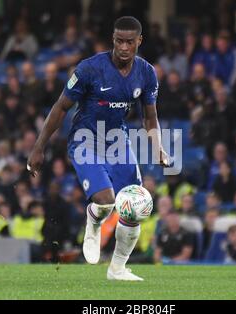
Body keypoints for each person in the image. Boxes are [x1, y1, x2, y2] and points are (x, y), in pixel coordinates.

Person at [27, 17, 170, 281]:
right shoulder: (90, 69)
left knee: (134, 207)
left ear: (139, 41)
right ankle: (94, 221)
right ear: (112, 39)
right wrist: (39, 147)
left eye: (129, 42)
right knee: (106, 200)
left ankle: (117, 269)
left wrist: (158, 148)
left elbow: (150, 117)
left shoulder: (146, 73)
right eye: (119, 41)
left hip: (118, 141)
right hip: (85, 139)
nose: (124, 47)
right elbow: (60, 107)